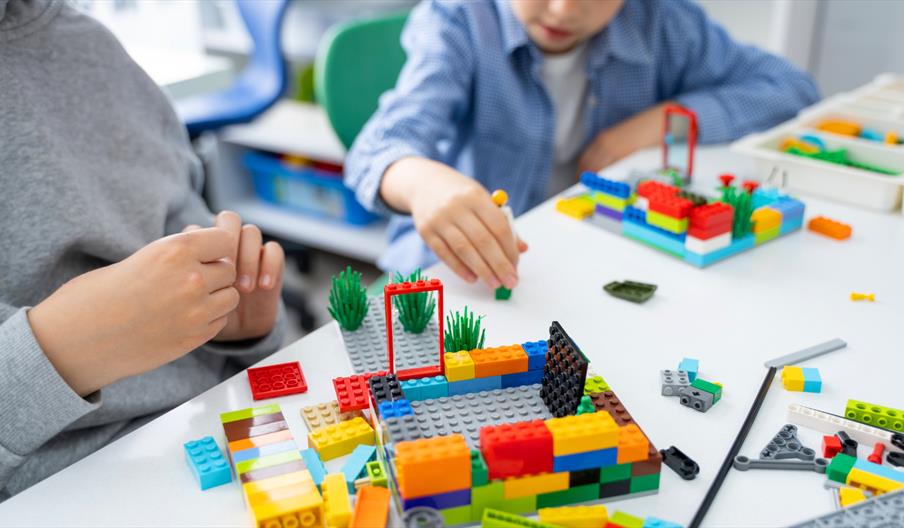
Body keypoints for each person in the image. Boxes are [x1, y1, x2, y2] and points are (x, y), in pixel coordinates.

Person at [0, 0, 285, 499]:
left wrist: (232, 321)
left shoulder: (91, 48)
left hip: (220, 423)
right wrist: (60, 351)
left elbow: (182, 226)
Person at [345, 0, 819, 289]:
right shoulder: (458, 20)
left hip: (594, 263)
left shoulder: (664, 22)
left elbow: (790, 87)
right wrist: (421, 183)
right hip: (459, 272)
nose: (565, 9)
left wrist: (663, 121)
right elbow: (377, 148)